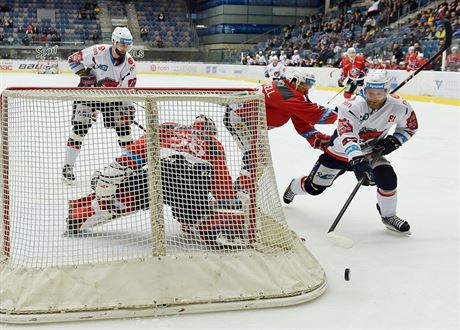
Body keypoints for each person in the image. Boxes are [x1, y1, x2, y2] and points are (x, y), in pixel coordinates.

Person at [65, 116, 250, 248]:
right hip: (194, 182)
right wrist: (227, 201)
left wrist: (115, 171)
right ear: (212, 132)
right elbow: (221, 184)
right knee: (193, 217)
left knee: (129, 194)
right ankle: (204, 224)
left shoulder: (170, 127)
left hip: (162, 170)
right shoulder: (213, 143)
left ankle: (78, 216)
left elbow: (138, 150)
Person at [283, 70, 418, 234]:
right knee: (314, 188)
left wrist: (394, 140)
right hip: (338, 152)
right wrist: (358, 160)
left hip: (370, 152)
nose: (374, 97)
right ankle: (294, 185)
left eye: (379, 93)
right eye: (370, 93)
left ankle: (388, 216)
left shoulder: (400, 106)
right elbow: (347, 135)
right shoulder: (351, 106)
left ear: (387, 91)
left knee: (388, 177)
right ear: (364, 89)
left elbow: (410, 127)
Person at [224, 69, 337, 192]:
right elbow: (316, 115)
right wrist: (342, 113)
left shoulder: (286, 88)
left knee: (259, 159)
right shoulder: (288, 94)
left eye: (310, 85)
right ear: (296, 81)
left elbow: (302, 123)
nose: (307, 89)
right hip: (239, 119)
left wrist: (320, 139)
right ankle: (241, 191)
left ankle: (242, 188)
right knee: (256, 158)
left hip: (248, 121)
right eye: (306, 85)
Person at [62, 26, 137, 184]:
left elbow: (128, 90)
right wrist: (87, 76)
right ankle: (67, 167)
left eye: (127, 45)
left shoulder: (130, 64)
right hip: (89, 94)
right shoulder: (97, 51)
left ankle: (130, 168)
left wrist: (128, 107)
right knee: (79, 130)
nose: (125, 48)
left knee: (124, 132)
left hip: (112, 98)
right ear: (114, 41)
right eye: (122, 44)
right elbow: (72, 60)